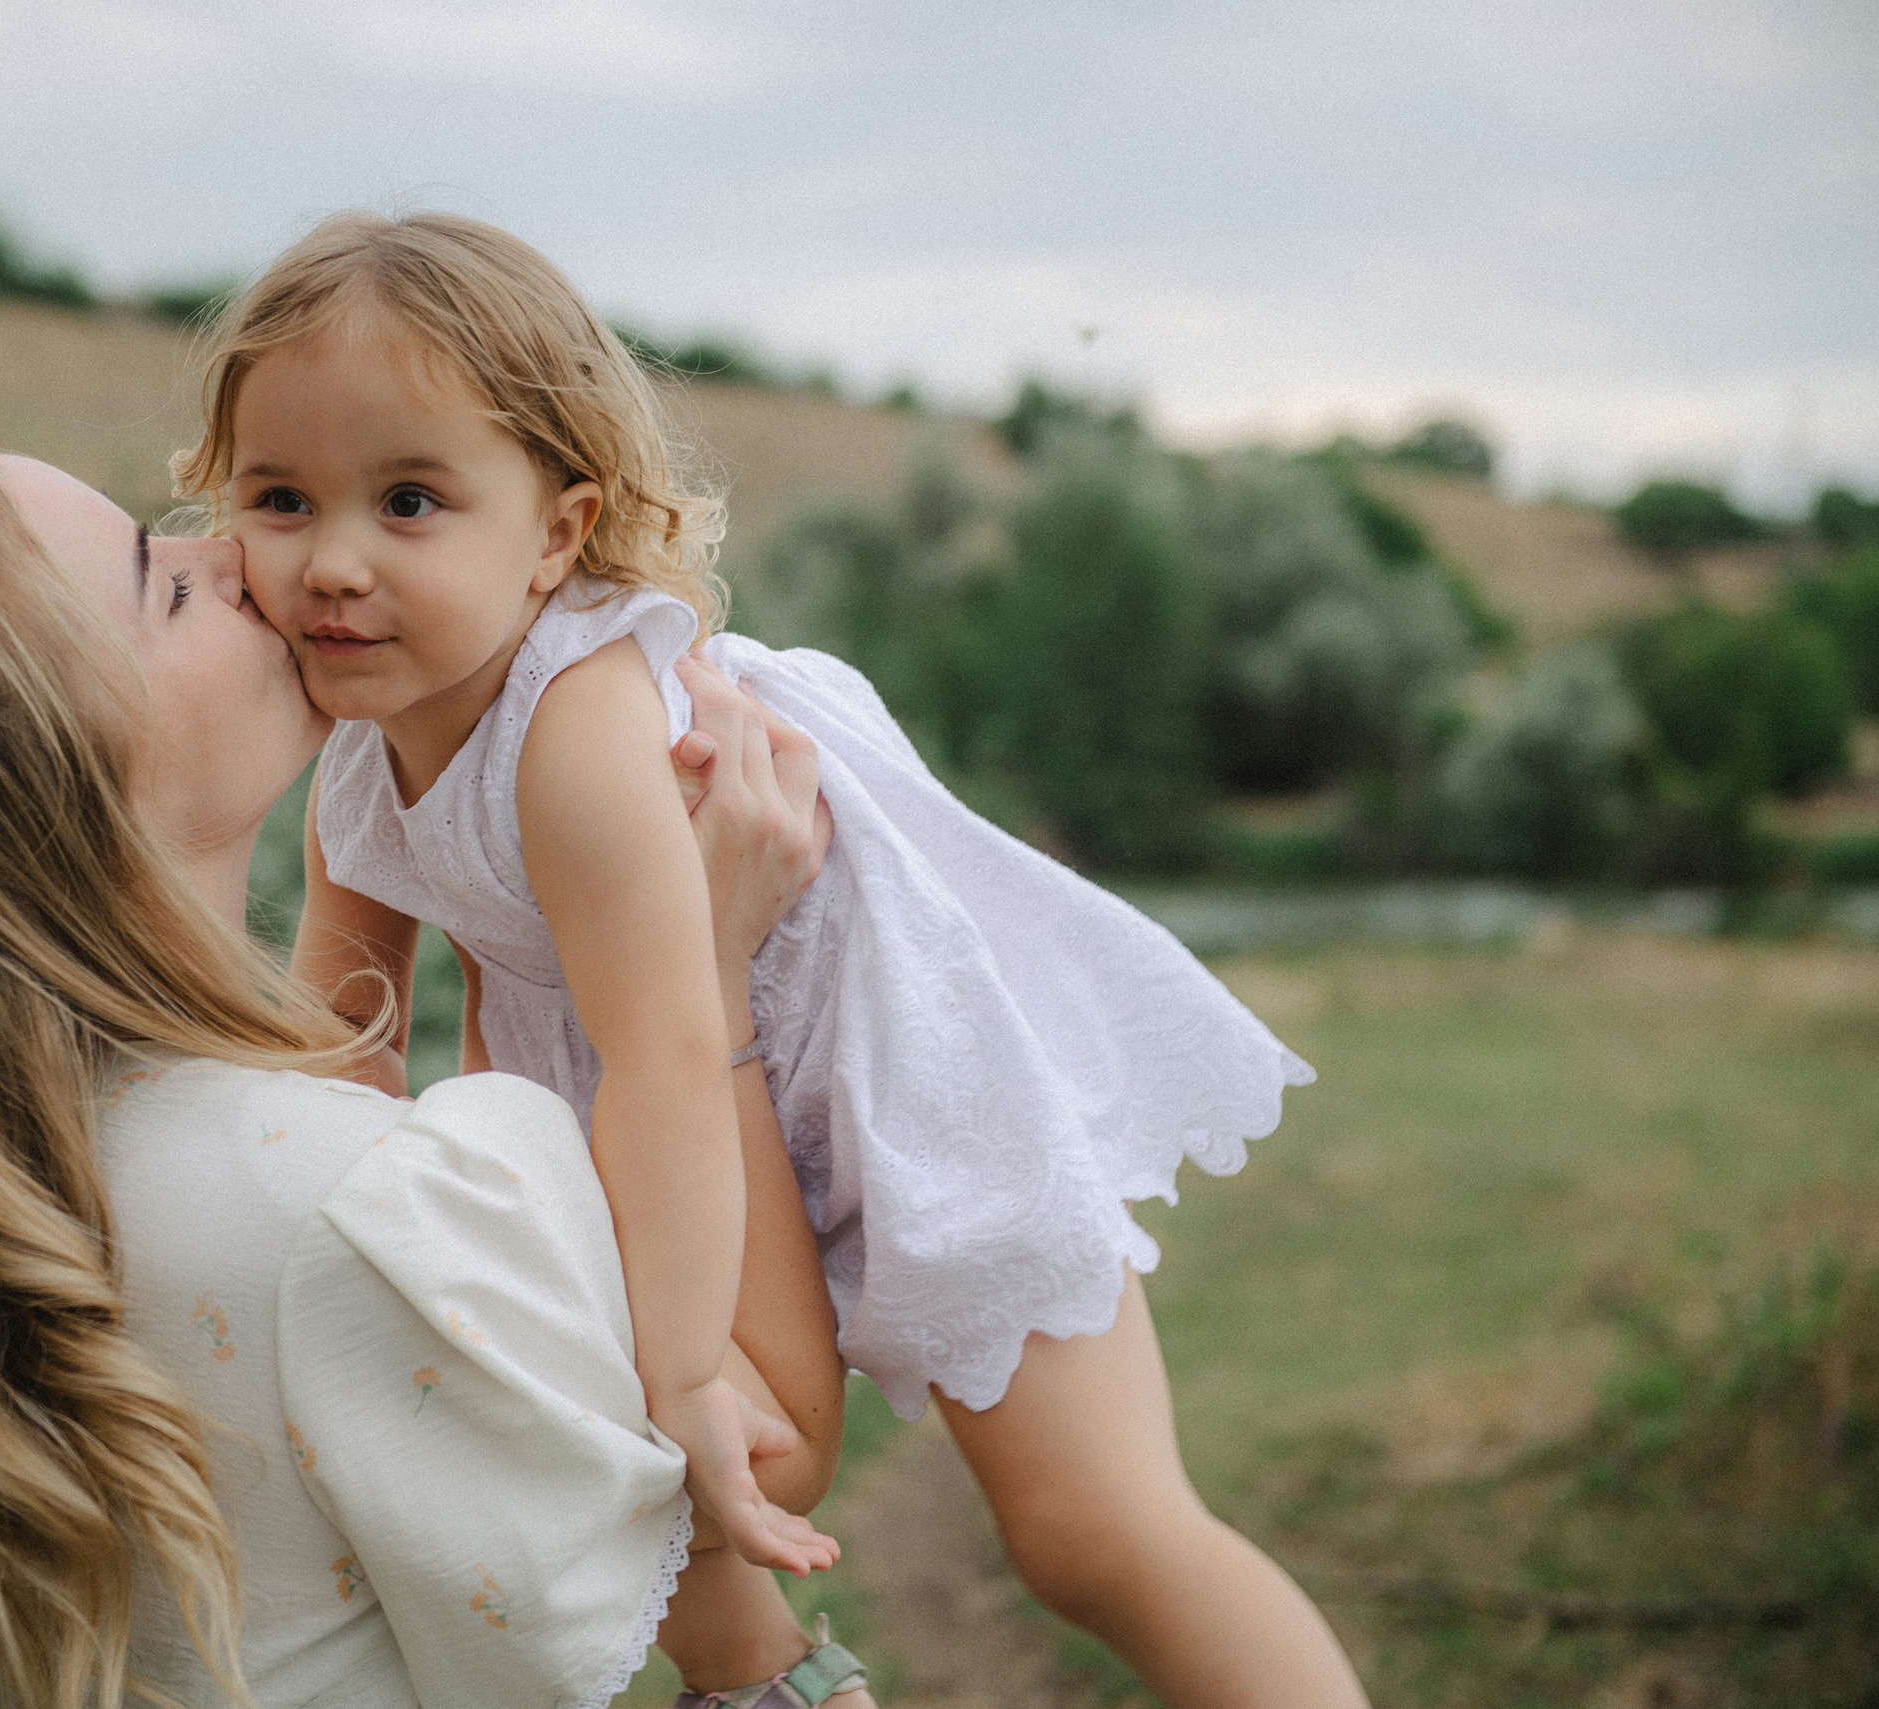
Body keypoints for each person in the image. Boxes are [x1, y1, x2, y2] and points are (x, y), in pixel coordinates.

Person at [176, 210, 1371, 1709]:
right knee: (643, 1494)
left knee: (1096, 1533)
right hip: (659, 1079)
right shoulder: (361, 746)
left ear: (555, 531)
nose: (333, 563)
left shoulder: (574, 725)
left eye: (409, 501)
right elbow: (340, 1033)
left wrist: (682, 1364)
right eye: (282, 499)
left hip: (879, 1064)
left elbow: (677, 1043)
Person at [0, 422, 849, 1709]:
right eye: (162, 579)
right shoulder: (358, 1205)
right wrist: (706, 967)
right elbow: (781, 1451)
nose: (238, 556)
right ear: (63, 775)